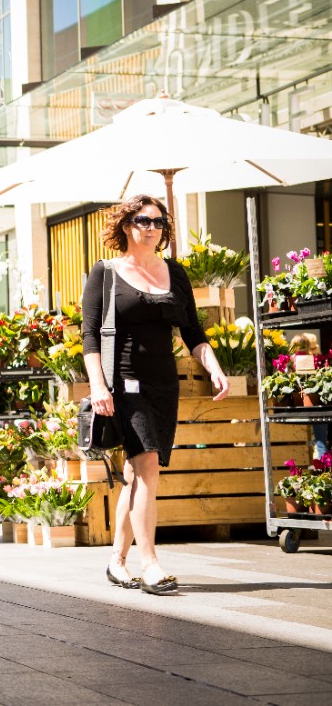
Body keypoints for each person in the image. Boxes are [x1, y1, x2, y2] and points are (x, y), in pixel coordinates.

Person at [82, 194, 227, 596]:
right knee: (147, 466)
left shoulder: (175, 274)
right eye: (144, 221)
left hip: (165, 385)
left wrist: (213, 366)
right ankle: (151, 564)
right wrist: (97, 385)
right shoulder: (106, 272)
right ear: (127, 226)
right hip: (124, 384)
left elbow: (193, 334)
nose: (152, 228)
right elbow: (89, 336)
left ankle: (117, 561)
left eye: (159, 222)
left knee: (134, 475)